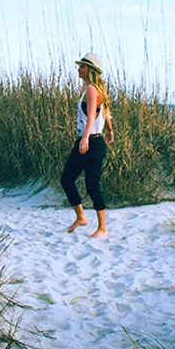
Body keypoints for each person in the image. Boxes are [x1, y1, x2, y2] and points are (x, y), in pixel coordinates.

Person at [60, 53, 114, 238]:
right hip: (90, 140)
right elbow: (104, 112)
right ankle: (81, 217)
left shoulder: (92, 89)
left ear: (90, 70)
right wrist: (110, 129)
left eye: (82, 66)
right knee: (66, 179)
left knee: (92, 185)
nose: (79, 69)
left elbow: (91, 116)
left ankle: (102, 229)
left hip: (91, 142)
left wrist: (85, 139)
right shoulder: (92, 89)